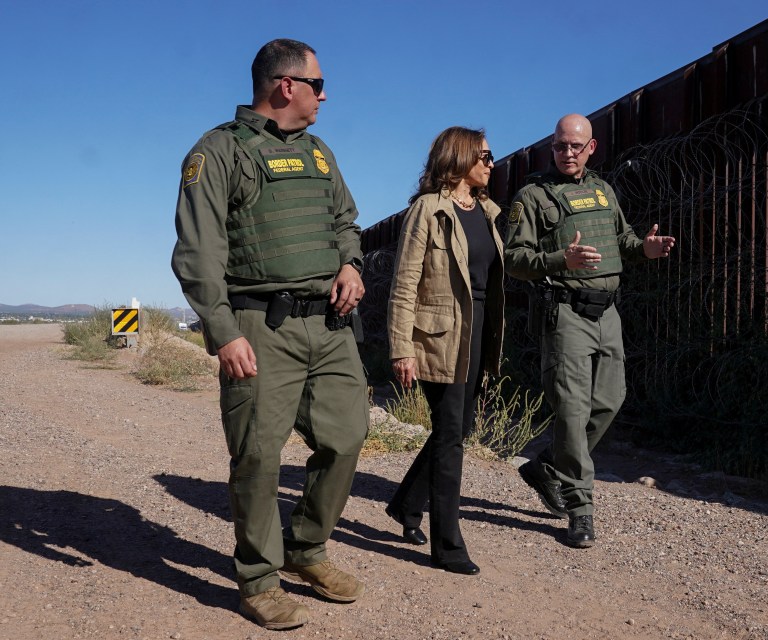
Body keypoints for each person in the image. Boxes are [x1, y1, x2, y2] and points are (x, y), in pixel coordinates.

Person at [171, 39, 368, 630]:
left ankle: (307, 549)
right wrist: (223, 331)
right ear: (287, 86)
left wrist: (352, 264)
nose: (325, 95)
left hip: (329, 326)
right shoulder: (218, 152)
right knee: (258, 454)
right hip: (260, 325)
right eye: (318, 84)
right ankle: (258, 576)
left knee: (348, 435)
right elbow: (198, 252)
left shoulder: (319, 153)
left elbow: (345, 221)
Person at [504, 114, 675, 548]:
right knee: (573, 410)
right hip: (565, 314)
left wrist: (647, 250)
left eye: (575, 146)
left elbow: (625, 241)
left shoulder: (603, 190)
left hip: (608, 314)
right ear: (552, 147)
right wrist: (563, 259)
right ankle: (580, 509)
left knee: (610, 400)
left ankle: (547, 466)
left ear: (591, 148)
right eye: (560, 146)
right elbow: (514, 260)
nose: (567, 154)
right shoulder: (533, 194)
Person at [385, 127, 505, 576]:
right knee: (451, 433)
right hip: (437, 338)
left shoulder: (489, 212)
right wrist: (401, 348)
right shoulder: (428, 211)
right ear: (460, 158)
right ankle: (448, 546)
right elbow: (403, 284)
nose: (492, 163)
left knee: (457, 427)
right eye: (486, 155)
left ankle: (405, 505)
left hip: (477, 334)